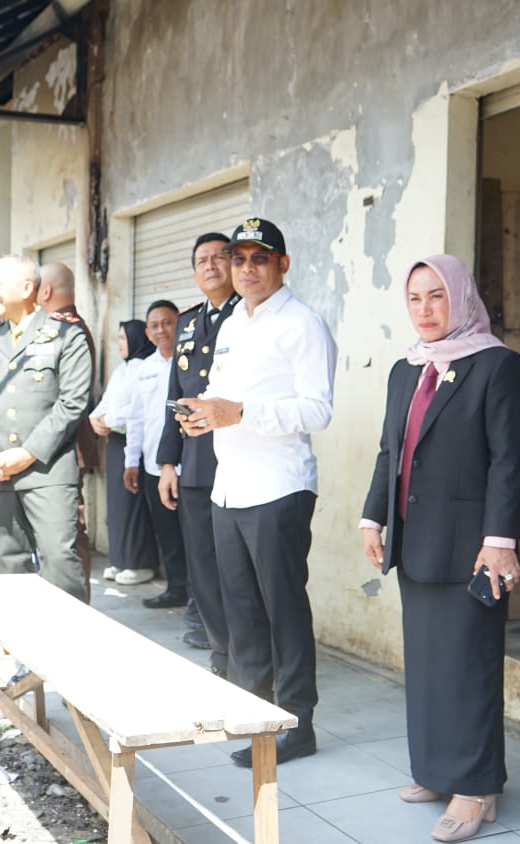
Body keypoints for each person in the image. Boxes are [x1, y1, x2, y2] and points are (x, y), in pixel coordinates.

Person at [359, 255, 520, 842]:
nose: (426, 309)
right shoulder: (406, 369)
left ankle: (476, 786)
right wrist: (373, 517)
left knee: (469, 667)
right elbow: (391, 451)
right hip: (416, 541)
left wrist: (500, 542)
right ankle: (436, 770)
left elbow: (508, 460)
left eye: (437, 296)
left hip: (472, 548)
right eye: (415, 298)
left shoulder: (497, 365)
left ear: (461, 297)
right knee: (429, 667)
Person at [177, 218, 335, 768]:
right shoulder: (232, 323)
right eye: (238, 258)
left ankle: (296, 723)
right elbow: (221, 395)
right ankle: (255, 715)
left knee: (283, 610)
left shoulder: (302, 323)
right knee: (242, 612)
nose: (246, 269)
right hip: (230, 487)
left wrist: (239, 412)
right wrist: (203, 414)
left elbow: (318, 410)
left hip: (278, 488)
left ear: (282, 264)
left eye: (259, 258)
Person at [0, 255, 93, 602]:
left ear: (27, 287)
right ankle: (23, 637)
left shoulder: (66, 334)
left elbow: (73, 403)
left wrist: (27, 453)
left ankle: (69, 637)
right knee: (10, 570)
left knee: (60, 564)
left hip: (47, 471)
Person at [159, 232, 241, 666]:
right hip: (194, 464)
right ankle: (220, 650)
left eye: (219, 257)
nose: (210, 266)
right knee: (204, 566)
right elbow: (175, 394)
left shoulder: (249, 315)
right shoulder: (188, 323)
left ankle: (247, 654)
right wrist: (167, 463)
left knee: (237, 567)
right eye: (201, 261)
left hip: (237, 460)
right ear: (194, 273)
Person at [39, 262, 101, 593]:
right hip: (53, 444)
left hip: (65, 445)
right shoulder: (54, 327)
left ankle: (75, 602)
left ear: (45, 290)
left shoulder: (67, 329)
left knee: (68, 530)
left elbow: (66, 399)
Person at [124, 300, 189, 608]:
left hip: (189, 466)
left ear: (179, 324)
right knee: (168, 533)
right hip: (153, 466)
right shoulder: (144, 369)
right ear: (147, 333)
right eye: (154, 325)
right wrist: (131, 462)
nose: (161, 330)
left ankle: (201, 600)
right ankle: (177, 589)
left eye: (167, 323)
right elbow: (135, 419)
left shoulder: (191, 362)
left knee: (196, 536)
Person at [89, 320, 159, 585]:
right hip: (115, 443)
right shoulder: (122, 369)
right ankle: (120, 559)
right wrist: (94, 419)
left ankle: (139, 563)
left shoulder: (145, 368)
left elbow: (135, 410)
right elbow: (106, 402)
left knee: (133, 505)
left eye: (123, 338)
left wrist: (107, 420)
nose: (119, 344)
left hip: (134, 444)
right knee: (117, 507)